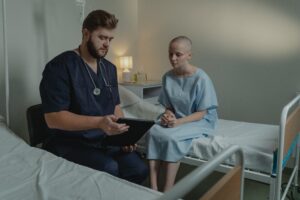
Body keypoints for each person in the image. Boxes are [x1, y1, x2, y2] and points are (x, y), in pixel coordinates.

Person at [39, 10, 148, 184]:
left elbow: (115, 107)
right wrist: (98, 123)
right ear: (86, 33)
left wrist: (124, 137)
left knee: (139, 168)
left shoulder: (109, 69)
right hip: (71, 142)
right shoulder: (60, 66)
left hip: (104, 140)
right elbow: (53, 118)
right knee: (109, 168)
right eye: (102, 38)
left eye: (110, 39)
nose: (107, 44)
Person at [147, 36, 218, 191]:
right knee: (153, 131)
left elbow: (201, 113)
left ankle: (168, 190)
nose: (173, 58)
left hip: (200, 120)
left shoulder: (201, 78)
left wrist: (178, 122)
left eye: (178, 54)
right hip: (178, 117)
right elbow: (169, 106)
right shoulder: (167, 77)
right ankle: (152, 188)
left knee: (171, 137)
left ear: (189, 55)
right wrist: (168, 115)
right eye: (170, 54)